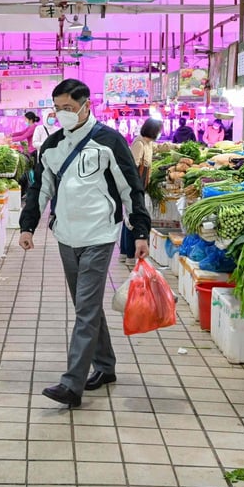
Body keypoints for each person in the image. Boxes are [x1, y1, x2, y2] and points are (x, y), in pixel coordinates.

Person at [19, 79, 151, 408]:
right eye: (57, 109)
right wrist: (27, 227)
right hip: (66, 235)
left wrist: (140, 232)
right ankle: (105, 367)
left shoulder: (109, 141)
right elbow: (39, 189)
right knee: (86, 307)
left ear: (85, 104)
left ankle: (72, 384)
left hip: (100, 235)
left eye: (68, 108)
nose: (62, 114)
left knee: (86, 309)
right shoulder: (51, 146)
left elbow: (130, 189)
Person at [120, 119, 162, 262]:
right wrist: (133, 187)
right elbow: (132, 166)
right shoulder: (139, 144)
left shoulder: (148, 143)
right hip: (134, 186)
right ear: (154, 131)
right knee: (133, 219)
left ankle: (125, 253)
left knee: (131, 218)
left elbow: (158, 149)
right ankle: (130, 254)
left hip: (140, 186)